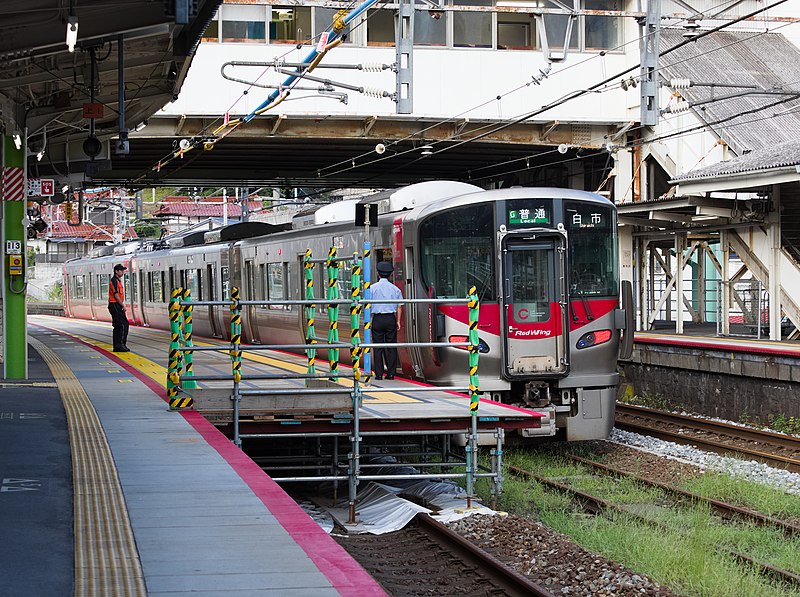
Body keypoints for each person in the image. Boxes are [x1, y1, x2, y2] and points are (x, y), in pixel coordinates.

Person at [371, 261, 403, 380]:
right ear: (390, 275)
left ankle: (379, 374)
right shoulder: (395, 289)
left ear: (378, 274)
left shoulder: (372, 288)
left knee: (378, 346)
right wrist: (398, 321)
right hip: (390, 318)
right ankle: (391, 373)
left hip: (377, 319)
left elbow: (367, 305)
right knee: (391, 346)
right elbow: (399, 306)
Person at [108, 264, 130, 352]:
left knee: (119, 326)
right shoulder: (114, 281)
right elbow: (116, 295)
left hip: (116, 305)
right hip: (115, 305)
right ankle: (120, 345)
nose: (123, 272)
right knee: (122, 325)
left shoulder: (118, 281)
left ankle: (118, 345)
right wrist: (122, 305)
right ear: (116, 271)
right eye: (121, 270)